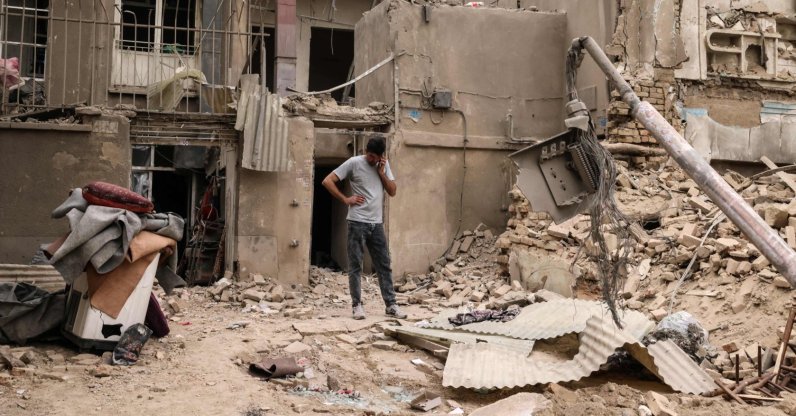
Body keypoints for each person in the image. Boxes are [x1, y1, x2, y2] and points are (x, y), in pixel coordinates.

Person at [322, 136, 407, 320]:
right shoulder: (353, 162)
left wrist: (382, 172)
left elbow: (392, 191)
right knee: (355, 265)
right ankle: (357, 305)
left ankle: (391, 305)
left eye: (374, 157)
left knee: (384, 264)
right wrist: (346, 199)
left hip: (376, 224)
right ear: (365, 151)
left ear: (381, 156)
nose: (371, 159)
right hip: (357, 222)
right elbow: (328, 181)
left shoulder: (383, 166)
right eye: (369, 155)